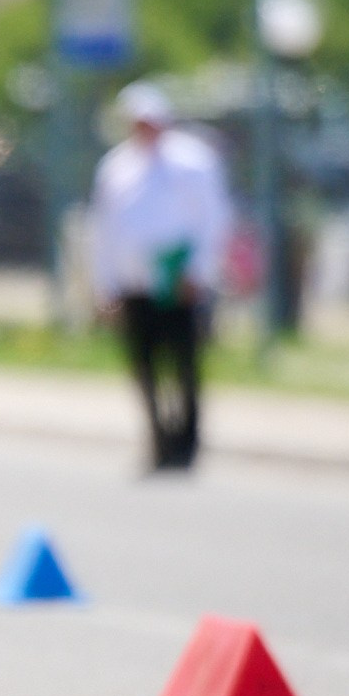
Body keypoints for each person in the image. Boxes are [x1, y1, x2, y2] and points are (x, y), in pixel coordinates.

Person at [90, 82, 233, 471]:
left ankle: (186, 443)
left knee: (184, 363)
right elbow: (104, 231)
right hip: (136, 283)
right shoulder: (117, 167)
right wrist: (106, 285)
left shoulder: (192, 162)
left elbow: (214, 220)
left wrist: (201, 271)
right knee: (145, 366)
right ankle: (158, 438)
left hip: (179, 280)